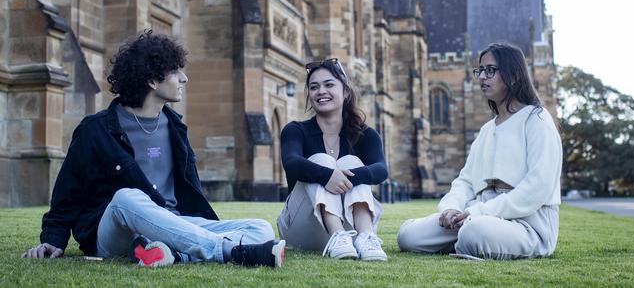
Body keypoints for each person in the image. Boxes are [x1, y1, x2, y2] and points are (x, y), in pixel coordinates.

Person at [22, 30, 285, 268]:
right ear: (152, 80)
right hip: (115, 230)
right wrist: (52, 240)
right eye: (175, 71)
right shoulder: (96, 130)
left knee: (259, 228)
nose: (184, 78)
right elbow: (66, 195)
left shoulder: (176, 128)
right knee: (126, 197)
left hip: (170, 224)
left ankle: (170, 252)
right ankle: (228, 252)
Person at [397, 42, 562, 260]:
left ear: (513, 75)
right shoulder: (487, 130)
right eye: (480, 70)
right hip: (477, 214)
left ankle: (471, 240)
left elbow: (537, 187)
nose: (482, 77)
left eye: (490, 70)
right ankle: (469, 240)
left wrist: (479, 213)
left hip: (529, 224)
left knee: (473, 231)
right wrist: (451, 209)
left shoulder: (537, 119)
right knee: (408, 235)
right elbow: (465, 181)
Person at [277, 58, 389, 261]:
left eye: (329, 84)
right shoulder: (295, 130)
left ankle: (366, 237)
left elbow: (381, 169)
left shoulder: (366, 134)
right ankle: (337, 235)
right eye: (314, 87)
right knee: (320, 159)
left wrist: (349, 177)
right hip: (302, 227)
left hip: (351, 228)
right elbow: (291, 162)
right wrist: (328, 176)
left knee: (351, 162)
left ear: (345, 92)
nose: (321, 91)